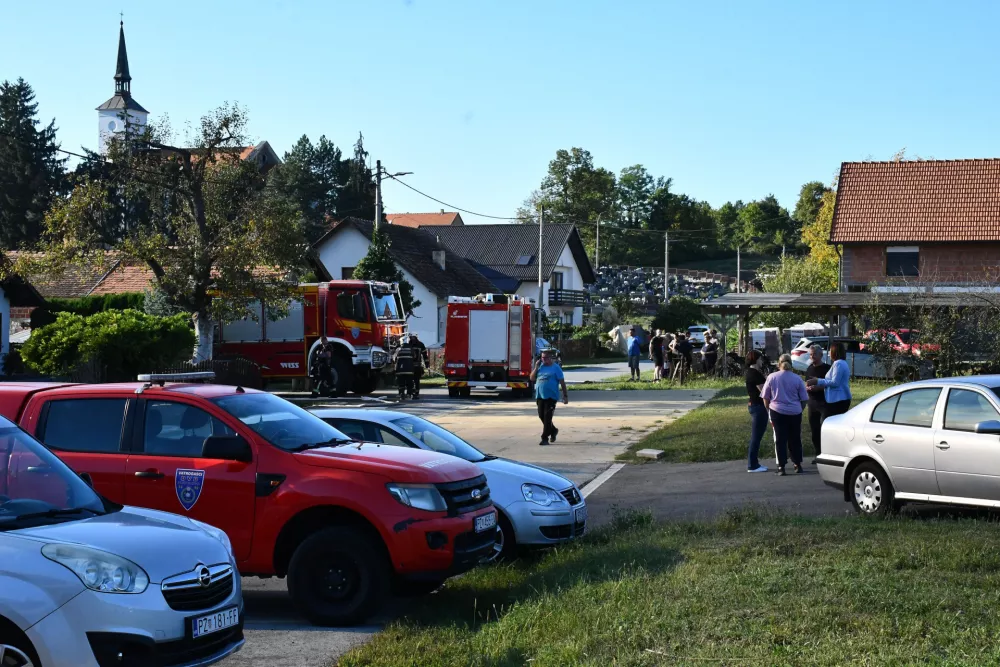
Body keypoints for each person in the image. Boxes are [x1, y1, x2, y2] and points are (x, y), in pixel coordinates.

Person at [760, 353, 810, 476]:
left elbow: (765, 397)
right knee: (795, 439)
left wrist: (769, 409)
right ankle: (797, 464)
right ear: (791, 365)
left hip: (777, 411)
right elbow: (804, 398)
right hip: (795, 412)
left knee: (780, 439)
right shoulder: (797, 378)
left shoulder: (772, 377)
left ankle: (781, 466)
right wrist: (799, 409)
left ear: (779, 364)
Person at [530, 349, 568, 446]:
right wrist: (536, 367)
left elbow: (562, 382)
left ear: (551, 358)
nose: (544, 359)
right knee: (541, 415)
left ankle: (544, 438)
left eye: (546, 357)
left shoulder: (556, 368)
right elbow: (532, 378)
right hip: (540, 395)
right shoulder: (540, 367)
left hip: (551, 396)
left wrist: (565, 396)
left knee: (547, 417)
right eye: (542, 357)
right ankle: (553, 430)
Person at [807, 342, 853, 421]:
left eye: (830, 350)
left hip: (838, 400)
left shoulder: (838, 364)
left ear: (835, 352)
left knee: (826, 423)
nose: (829, 352)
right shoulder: (840, 363)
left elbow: (835, 382)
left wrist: (818, 381)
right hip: (837, 399)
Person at [804, 344, 831, 465]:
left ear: (821, 355)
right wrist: (807, 388)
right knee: (814, 430)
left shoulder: (827, 368)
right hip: (812, 403)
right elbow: (806, 383)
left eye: (814, 354)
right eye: (810, 354)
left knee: (825, 429)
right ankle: (818, 453)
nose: (812, 356)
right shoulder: (809, 368)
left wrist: (818, 388)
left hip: (824, 402)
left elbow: (830, 384)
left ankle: (828, 454)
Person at [744, 350, 769, 473]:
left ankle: (754, 463)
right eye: (760, 359)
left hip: (754, 405)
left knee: (756, 436)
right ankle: (752, 464)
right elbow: (764, 391)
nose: (762, 361)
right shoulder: (754, 374)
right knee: (756, 436)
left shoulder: (751, 372)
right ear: (756, 359)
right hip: (758, 406)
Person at [407, 332, 430, 399]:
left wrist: (427, 364)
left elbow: (425, 355)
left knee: (414, 380)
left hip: (412, 366)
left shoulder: (409, 345)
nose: (412, 338)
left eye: (412, 337)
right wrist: (427, 364)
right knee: (413, 380)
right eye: (411, 337)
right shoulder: (420, 344)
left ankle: (414, 393)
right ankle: (413, 393)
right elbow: (425, 356)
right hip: (415, 366)